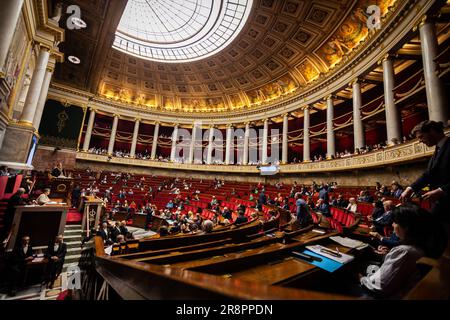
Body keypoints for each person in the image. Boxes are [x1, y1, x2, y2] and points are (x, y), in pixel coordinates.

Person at [359, 204, 433, 298]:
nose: (393, 225)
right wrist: (388, 255)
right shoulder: (418, 246)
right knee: (363, 264)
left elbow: (378, 287)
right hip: (388, 286)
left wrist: (360, 278)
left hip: (376, 295)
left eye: (395, 222)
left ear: (406, 227)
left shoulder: (405, 252)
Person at [400, 120, 450, 256]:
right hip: (441, 205)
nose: (420, 141)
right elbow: (428, 175)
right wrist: (410, 188)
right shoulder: (438, 149)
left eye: (421, 137)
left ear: (432, 131)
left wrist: (442, 190)